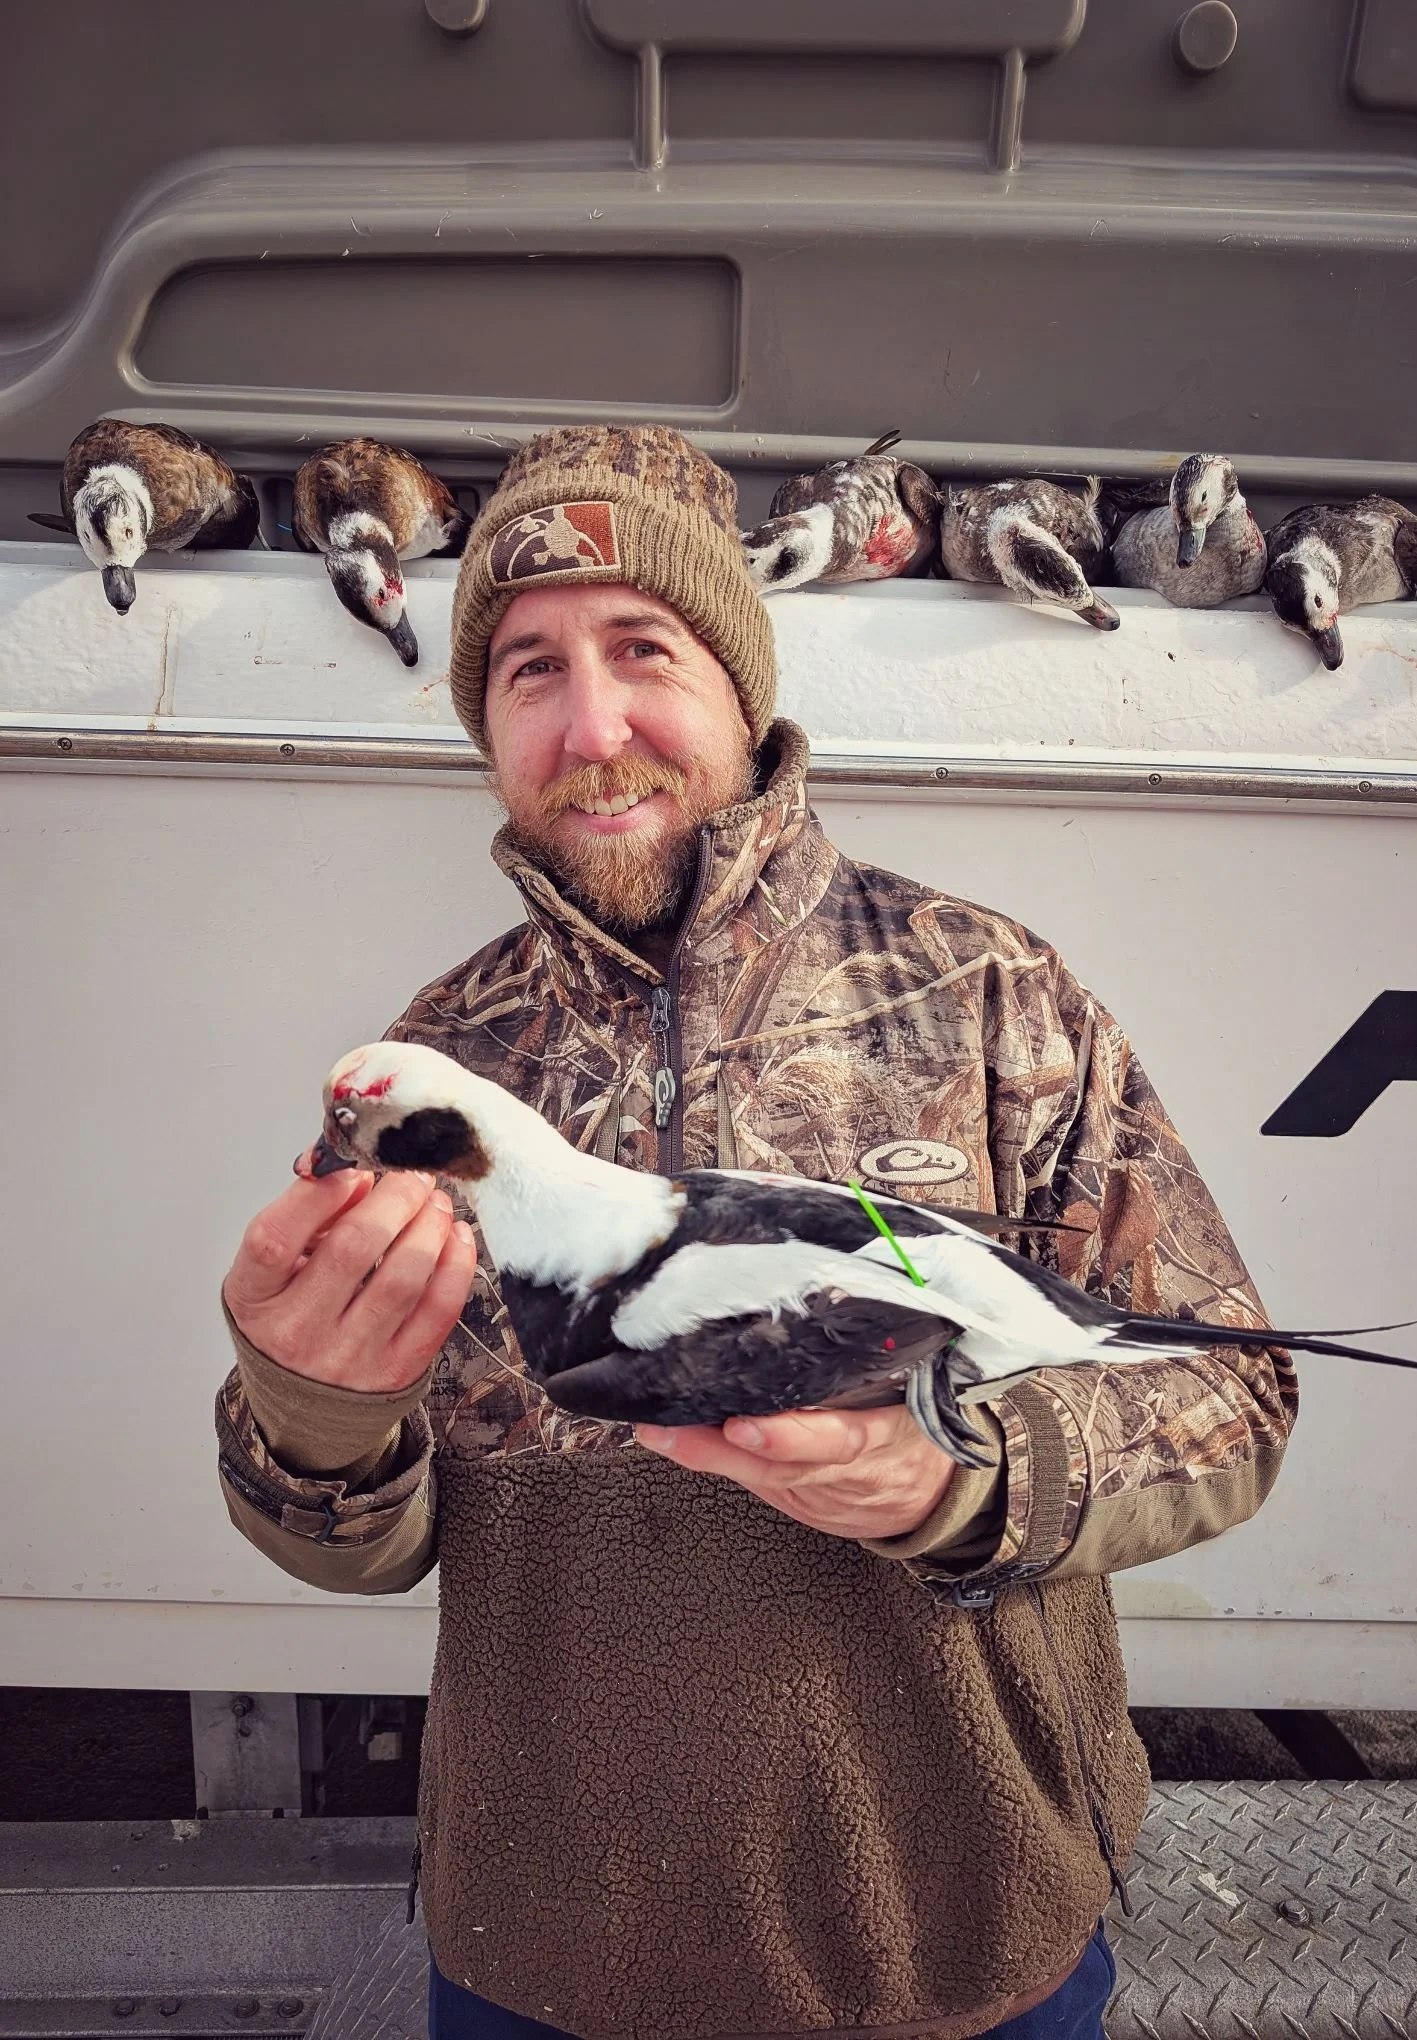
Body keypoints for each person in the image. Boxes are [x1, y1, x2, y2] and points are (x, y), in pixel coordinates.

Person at [216, 425, 1296, 2040]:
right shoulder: (434, 1066)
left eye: (642, 650)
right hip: (550, 1961)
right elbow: (356, 1548)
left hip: (965, 1944)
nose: (594, 727)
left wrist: (965, 1478)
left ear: (738, 678)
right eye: (527, 672)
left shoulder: (994, 991)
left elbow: (1235, 1403)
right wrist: (309, 1413)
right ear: (485, 723)